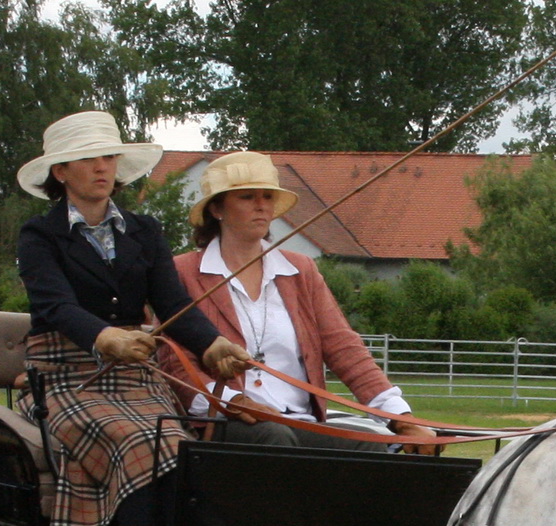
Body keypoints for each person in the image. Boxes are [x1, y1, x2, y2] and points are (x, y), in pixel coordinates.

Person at [16, 110, 249, 526]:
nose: (103, 168)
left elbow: (173, 304)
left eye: (109, 157)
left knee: (181, 449)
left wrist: (212, 344)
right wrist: (106, 338)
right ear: (61, 172)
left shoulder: (144, 231)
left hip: (135, 378)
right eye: (88, 159)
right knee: (142, 443)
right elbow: (53, 305)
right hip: (65, 377)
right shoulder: (40, 236)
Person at [172, 151, 434, 453]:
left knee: (373, 446)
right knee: (276, 437)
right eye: (247, 197)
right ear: (216, 209)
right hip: (227, 421)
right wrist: (234, 402)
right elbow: (177, 367)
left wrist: (399, 416)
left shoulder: (301, 271)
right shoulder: (183, 272)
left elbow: (344, 348)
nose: (261, 206)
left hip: (301, 420)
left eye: (268, 197)